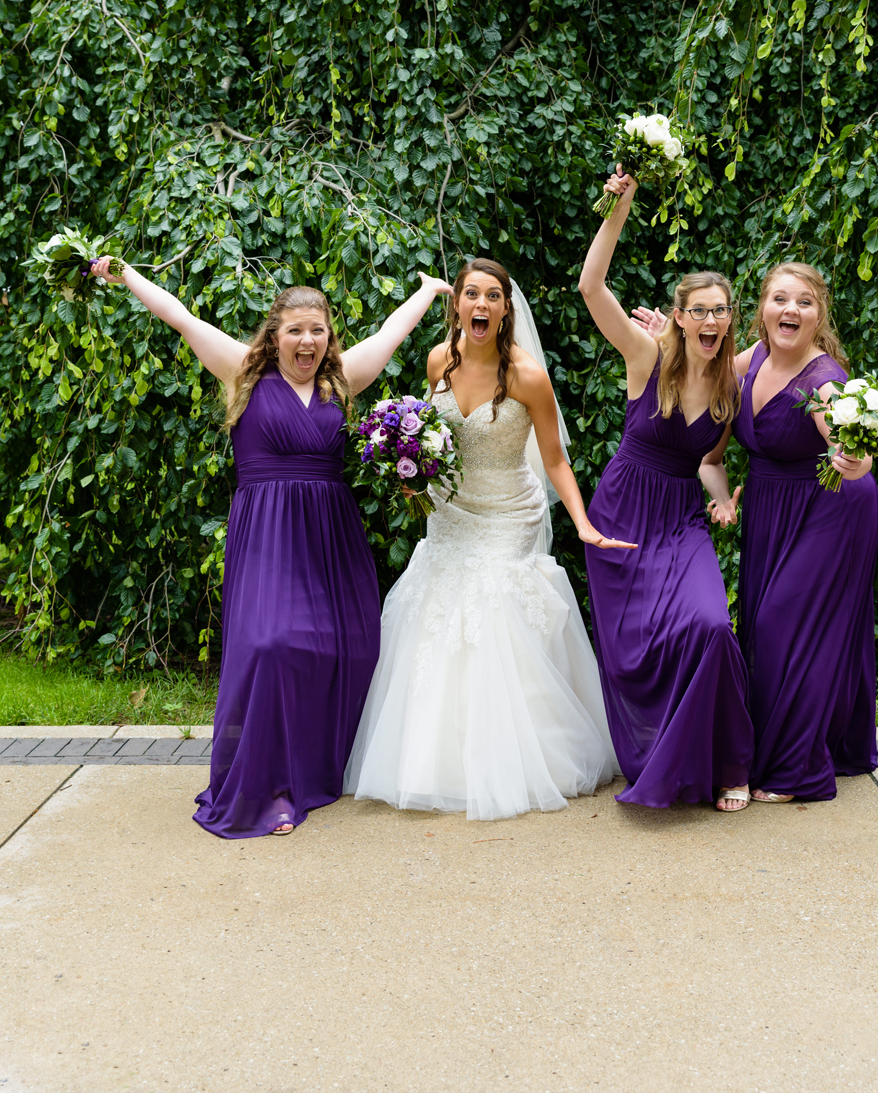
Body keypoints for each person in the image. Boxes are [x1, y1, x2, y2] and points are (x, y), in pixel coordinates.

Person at [91, 258, 451, 838]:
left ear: (329, 336)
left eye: (318, 331)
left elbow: (391, 332)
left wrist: (428, 293)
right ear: (274, 334)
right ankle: (272, 786)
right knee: (271, 646)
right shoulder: (242, 374)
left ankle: (318, 771)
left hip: (331, 536)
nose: (307, 341)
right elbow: (178, 316)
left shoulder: (341, 382)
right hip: (268, 534)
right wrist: (125, 275)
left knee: (351, 649)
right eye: (295, 331)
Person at [343, 257, 623, 821]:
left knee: (491, 599)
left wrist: (585, 523)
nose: (481, 305)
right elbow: (433, 439)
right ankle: (437, 758)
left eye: (493, 296)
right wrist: (412, 472)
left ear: (504, 310)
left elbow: (555, 461)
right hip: (451, 511)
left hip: (508, 513)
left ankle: (515, 754)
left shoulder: (526, 376)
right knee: (433, 601)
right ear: (457, 305)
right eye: (472, 294)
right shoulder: (437, 361)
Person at [577, 170, 754, 811]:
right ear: (679, 317)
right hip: (624, 509)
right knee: (634, 650)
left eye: (720, 310)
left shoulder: (734, 385)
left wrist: (725, 495)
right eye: (697, 309)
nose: (709, 319)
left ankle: (729, 760)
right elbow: (591, 287)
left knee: (709, 624)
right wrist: (617, 206)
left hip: (681, 518)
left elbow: (707, 460)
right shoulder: (646, 358)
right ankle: (658, 755)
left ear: (730, 320)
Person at [729, 262, 878, 802]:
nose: (790, 310)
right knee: (771, 628)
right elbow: (697, 382)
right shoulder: (752, 358)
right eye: (780, 299)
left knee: (780, 625)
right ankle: (804, 741)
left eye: (805, 302)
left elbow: (841, 433)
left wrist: (854, 456)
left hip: (833, 503)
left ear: (820, 316)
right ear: (762, 309)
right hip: (772, 504)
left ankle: (796, 768)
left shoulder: (824, 380)